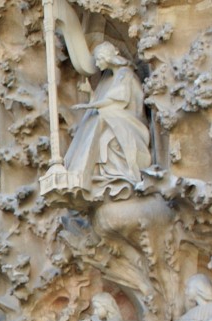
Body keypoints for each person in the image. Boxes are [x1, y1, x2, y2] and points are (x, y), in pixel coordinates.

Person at [63, 42, 151, 201]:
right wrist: (90, 94)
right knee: (97, 123)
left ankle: (89, 173)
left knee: (101, 120)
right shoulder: (108, 78)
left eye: (98, 59)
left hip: (131, 122)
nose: (97, 64)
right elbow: (108, 100)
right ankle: (86, 174)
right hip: (117, 118)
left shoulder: (125, 73)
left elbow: (117, 100)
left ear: (108, 57)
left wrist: (90, 105)